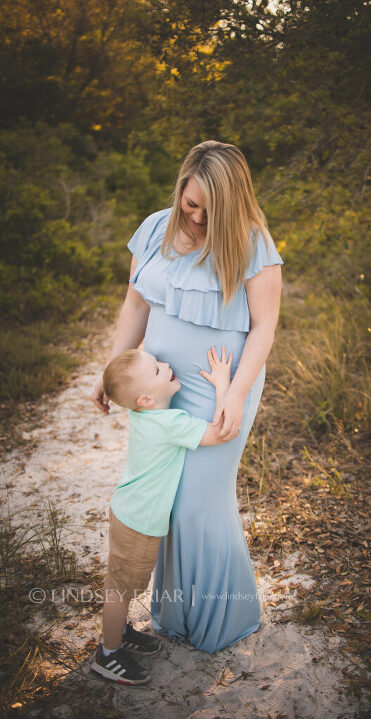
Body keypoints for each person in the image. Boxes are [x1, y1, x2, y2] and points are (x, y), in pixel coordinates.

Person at [91, 139, 284, 654]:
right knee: (172, 503)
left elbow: (264, 327)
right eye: (189, 203)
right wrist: (114, 369)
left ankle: (223, 616)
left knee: (201, 502)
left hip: (222, 384)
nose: (195, 217)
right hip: (160, 383)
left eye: (208, 209)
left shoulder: (252, 243)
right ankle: (176, 614)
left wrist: (237, 394)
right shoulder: (155, 228)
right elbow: (134, 302)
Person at [92, 345, 234, 684]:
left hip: (129, 511)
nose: (167, 364)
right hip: (139, 522)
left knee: (121, 583)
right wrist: (223, 384)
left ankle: (120, 633)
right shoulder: (170, 423)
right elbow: (222, 431)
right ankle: (108, 654)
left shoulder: (144, 415)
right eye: (157, 369)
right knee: (121, 589)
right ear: (144, 399)